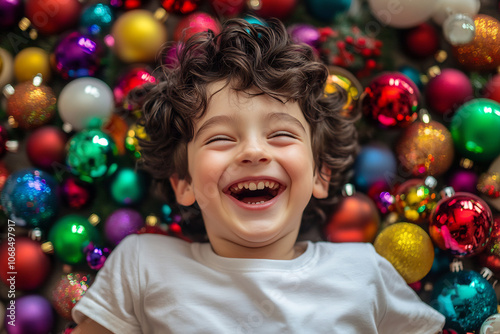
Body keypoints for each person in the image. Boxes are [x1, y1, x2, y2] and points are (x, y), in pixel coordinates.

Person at [71, 18, 445, 333]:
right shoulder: (143, 264)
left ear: (320, 174)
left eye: (281, 134)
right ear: (183, 183)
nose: (253, 152)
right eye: (220, 138)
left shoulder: (364, 272)